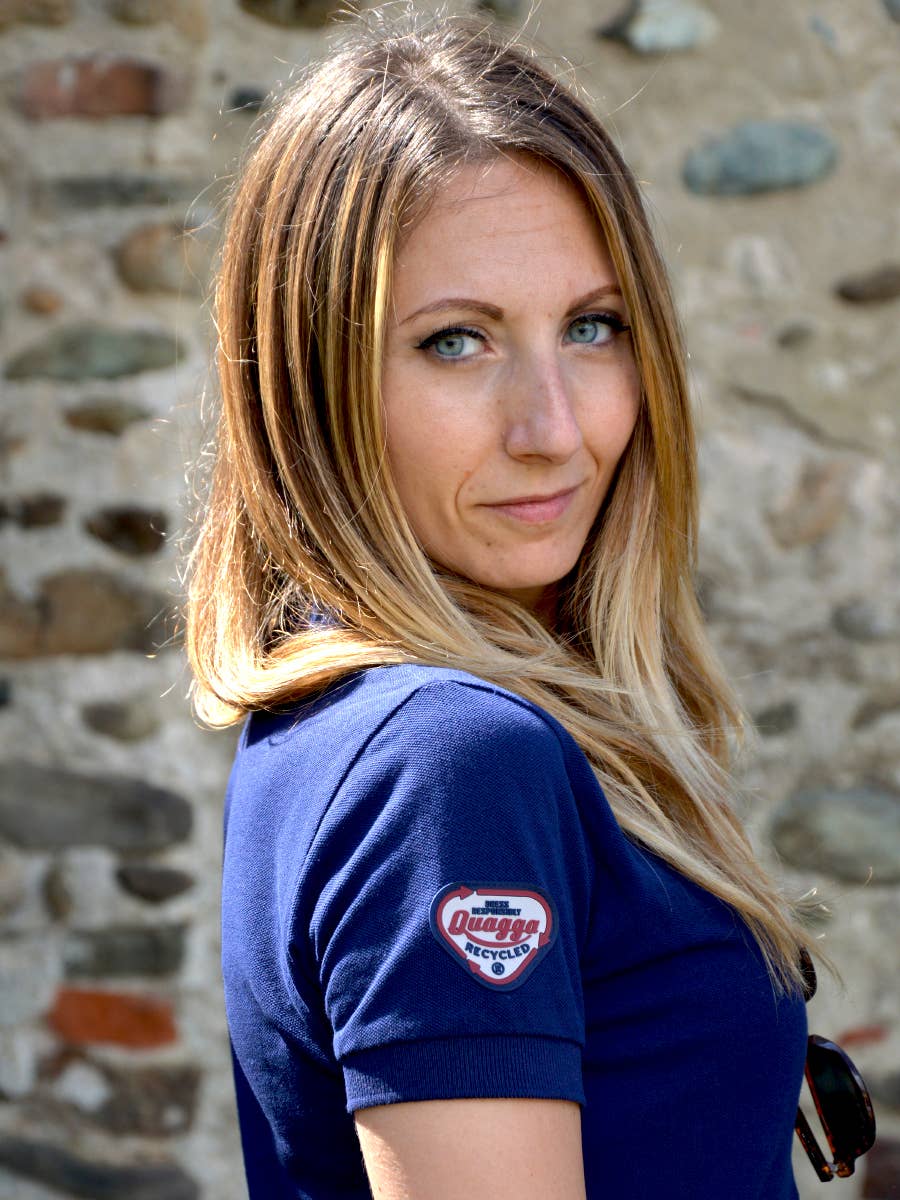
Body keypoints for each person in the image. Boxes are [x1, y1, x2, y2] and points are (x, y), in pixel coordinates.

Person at [185, 5, 833, 1196]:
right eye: (456, 343)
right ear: (313, 385)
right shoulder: (450, 759)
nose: (554, 428)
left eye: (593, 327)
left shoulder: (355, 729)